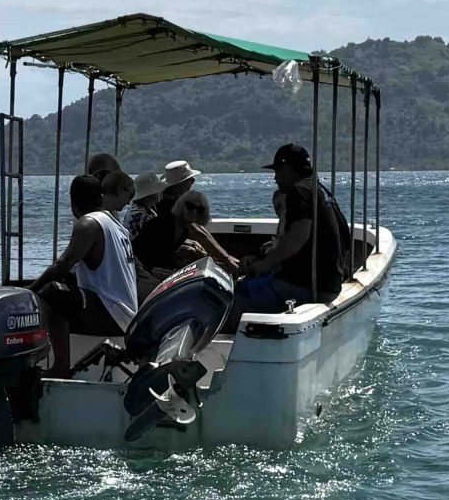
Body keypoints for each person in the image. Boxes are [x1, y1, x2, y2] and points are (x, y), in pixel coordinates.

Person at [33, 170, 139, 374]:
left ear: (73, 205)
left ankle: (60, 367)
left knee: (53, 293)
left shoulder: (89, 223)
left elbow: (62, 264)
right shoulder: (116, 224)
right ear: (101, 197)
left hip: (113, 315)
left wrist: (30, 291)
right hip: (126, 314)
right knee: (63, 288)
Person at [234, 143, 351, 313]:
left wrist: (262, 265)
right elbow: (345, 238)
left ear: (287, 169)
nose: (275, 178)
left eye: (277, 172)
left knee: (231, 297)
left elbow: (297, 237)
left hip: (303, 289)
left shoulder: (299, 191)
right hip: (329, 286)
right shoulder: (323, 193)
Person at [127, 158, 234, 288]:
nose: (193, 183)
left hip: (157, 257)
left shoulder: (161, 203)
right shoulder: (170, 206)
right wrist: (227, 259)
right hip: (150, 265)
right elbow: (198, 232)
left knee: (194, 251)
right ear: (182, 185)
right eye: (191, 180)